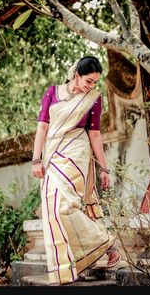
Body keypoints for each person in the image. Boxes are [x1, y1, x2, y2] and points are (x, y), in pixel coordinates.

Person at [31, 56, 122, 285]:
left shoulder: (93, 99)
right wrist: (36, 159)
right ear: (76, 74)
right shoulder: (52, 92)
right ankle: (74, 264)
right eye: (88, 81)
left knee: (62, 206)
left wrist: (104, 168)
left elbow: (95, 134)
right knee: (53, 210)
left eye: (95, 82)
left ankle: (105, 243)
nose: (91, 86)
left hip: (76, 153)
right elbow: (42, 126)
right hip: (52, 154)